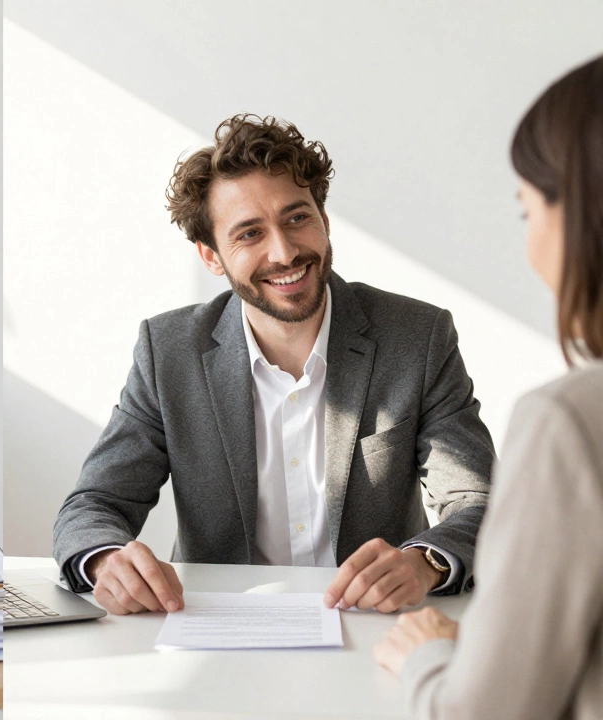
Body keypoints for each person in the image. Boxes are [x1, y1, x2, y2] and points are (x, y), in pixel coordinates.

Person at [52, 114, 494, 616]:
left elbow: (479, 501)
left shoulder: (417, 337)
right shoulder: (168, 352)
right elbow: (94, 504)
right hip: (218, 625)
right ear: (211, 256)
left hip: (373, 624)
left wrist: (426, 561)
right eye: (249, 234)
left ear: (324, 221)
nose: (284, 252)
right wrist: (105, 560)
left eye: (297, 218)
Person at [374, 55, 603, 719]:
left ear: (581, 215)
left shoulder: (569, 420)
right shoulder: (168, 347)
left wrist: (427, 654)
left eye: (527, 210)